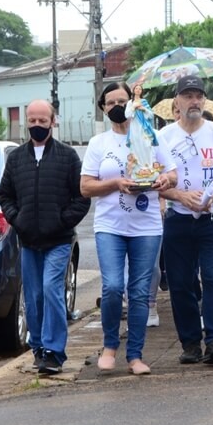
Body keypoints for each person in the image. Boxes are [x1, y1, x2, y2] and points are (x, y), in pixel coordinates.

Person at [81, 82, 177, 375]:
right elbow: (85, 187)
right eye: (110, 103)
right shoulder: (99, 143)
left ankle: (135, 355)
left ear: (135, 103)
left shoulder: (150, 134)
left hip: (146, 226)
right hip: (110, 225)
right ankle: (110, 344)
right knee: (112, 286)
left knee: (138, 292)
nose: (117, 106)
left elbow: (172, 173)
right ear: (103, 108)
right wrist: (115, 184)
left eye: (122, 100)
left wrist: (164, 182)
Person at [0, 99, 91, 375]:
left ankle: (54, 351)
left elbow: (81, 197)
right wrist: (18, 219)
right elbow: (5, 196)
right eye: (32, 121)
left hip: (58, 241)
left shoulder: (67, 157)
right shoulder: (16, 158)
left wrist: (62, 221)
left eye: (42, 121)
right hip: (28, 241)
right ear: (26, 121)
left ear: (53, 121)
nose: (37, 126)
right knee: (34, 296)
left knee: (51, 291)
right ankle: (37, 346)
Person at [159, 75, 213, 365]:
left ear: (204, 100)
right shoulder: (165, 136)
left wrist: (211, 196)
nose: (194, 101)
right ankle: (190, 342)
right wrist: (180, 197)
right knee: (180, 282)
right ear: (177, 102)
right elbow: (156, 180)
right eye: (188, 95)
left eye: (198, 96)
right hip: (178, 219)